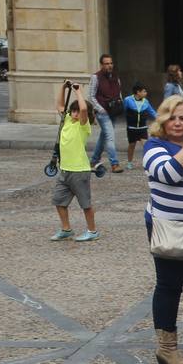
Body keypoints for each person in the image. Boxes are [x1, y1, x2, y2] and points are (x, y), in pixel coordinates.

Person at [142, 95, 183, 364]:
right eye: (172, 117)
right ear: (162, 120)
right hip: (171, 226)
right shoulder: (154, 146)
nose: (178, 123)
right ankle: (167, 349)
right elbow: (170, 173)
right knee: (170, 287)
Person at [50, 82, 100, 243]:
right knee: (59, 201)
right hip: (64, 169)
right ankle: (66, 229)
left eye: (77, 111)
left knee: (85, 204)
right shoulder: (67, 121)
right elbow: (59, 105)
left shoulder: (83, 126)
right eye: (73, 110)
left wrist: (78, 91)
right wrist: (63, 88)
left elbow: (84, 109)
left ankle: (92, 231)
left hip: (80, 171)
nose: (75, 113)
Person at [88, 53, 125, 173]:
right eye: (107, 63)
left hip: (113, 111)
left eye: (111, 63)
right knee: (110, 137)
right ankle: (114, 163)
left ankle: (94, 160)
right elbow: (91, 96)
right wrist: (100, 109)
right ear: (101, 65)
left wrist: (120, 102)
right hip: (102, 112)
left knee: (103, 137)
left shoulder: (115, 77)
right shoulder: (96, 77)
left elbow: (119, 92)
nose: (109, 66)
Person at [123, 82, 157, 170]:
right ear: (138, 92)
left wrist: (160, 119)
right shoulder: (128, 100)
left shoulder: (146, 102)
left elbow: (152, 112)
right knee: (132, 145)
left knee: (146, 145)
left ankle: (147, 162)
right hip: (132, 128)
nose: (146, 93)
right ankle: (129, 162)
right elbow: (124, 109)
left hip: (142, 128)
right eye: (144, 91)